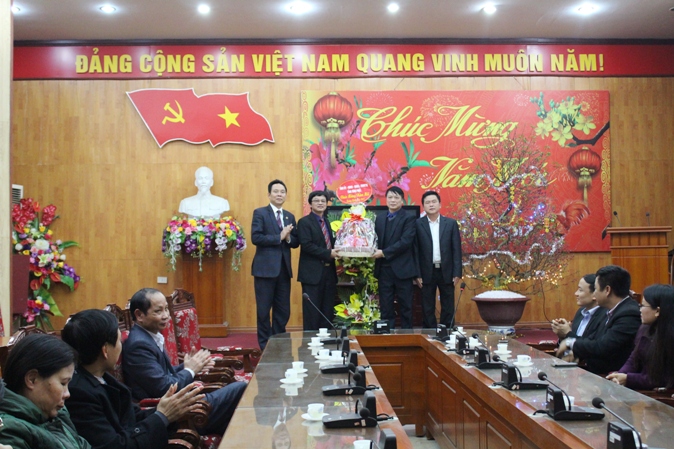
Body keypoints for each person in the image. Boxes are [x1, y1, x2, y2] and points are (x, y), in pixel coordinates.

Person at [62, 309, 206, 449]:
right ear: (105, 350)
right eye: (119, 341)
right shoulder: (79, 394)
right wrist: (162, 416)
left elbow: (131, 417)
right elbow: (115, 445)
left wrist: (170, 410)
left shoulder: (100, 376)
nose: (121, 347)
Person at [122, 288, 246, 436]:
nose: (166, 316)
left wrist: (189, 365)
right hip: (174, 414)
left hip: (180, 401)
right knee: (240, 389)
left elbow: (163, 375)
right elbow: (163, 387)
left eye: (166, 309)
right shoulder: (139, 345)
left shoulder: (148, 336)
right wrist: (190, 370)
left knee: (233, 403)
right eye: (158, 311)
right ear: (139, 315)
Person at [0, 334, 91, 449]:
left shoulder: (56, 413)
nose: (67, 394)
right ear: (32, 379)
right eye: (63, 383)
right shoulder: (10, 431)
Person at [556, 265, 641, 375]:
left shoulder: (628, 314)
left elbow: (603, 347)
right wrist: (576, 351)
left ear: (607, 290)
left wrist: (570, 342)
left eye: (595, 289)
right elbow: (593, 340)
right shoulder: (611, 310)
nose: (594, 293)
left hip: (611, 378)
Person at [251, 179, 299, 350]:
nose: (279, 194)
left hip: (284, 271)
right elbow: (256, 238)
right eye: (276, 191)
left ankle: (279, 342)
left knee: (283, 310)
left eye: (282, 192)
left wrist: (289, 238)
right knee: (264, 311)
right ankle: (265, 346)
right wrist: (279, 237)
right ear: (269, 194)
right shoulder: (260, 213)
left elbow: (295, 242)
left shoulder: (289, 216)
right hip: (265, 270)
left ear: (286, 195)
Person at [607, 284, 674, 390]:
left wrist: (628, 379)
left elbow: (661, 379)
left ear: (657, 311)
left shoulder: (670, 338)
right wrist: (620, 375)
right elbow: (633, 359)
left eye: (643, 306)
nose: (640, 309)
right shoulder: (644, 328)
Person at [414, 191, 462, 329]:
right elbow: (415, 251)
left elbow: (456, 249)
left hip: (446, 270)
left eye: (434, 201)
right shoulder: (417, 224)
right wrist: (417, 274)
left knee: (448, 304)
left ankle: (446, 332)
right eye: (427, 202)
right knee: (427, 305)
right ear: (423, 206)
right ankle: (430, 333)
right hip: (426, 271)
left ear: (440, 204)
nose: (431, 205)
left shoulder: (451, 223)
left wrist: (457, 272)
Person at [373, 186, 417, 329]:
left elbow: (405, 242)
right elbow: (374, 240)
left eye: (396, 197)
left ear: (402, 200)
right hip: (384, 270)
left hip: (403, 270)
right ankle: (386, 336)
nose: (393, 200)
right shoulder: (380, 218)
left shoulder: (409, 218)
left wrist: (384, 253)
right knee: (385, 306)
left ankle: (407, 336)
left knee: (406, 307)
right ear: (386, 199)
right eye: (390, 197)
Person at [297, 190, 339, 330]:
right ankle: (310, 340)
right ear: (310, 204)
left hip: (329, 273)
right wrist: (329, 253)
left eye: (323, 201)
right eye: (316, 201)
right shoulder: (304, 222)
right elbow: (307, 245)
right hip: (312, 274)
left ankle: (326, 340)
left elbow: (329, 243)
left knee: (327, 311)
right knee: (312, 313)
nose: (320, 203)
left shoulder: (326, 221)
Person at [551, 274, 608, 361]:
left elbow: (591, 347)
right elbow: (568, 345)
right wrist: (561, 335)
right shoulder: (580, 312)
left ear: (594, 294)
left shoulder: (605, 316)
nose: (576, 293)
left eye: (580, 290)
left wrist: (568, 333)